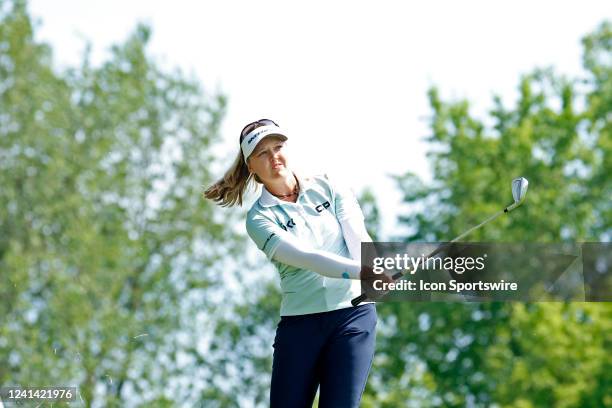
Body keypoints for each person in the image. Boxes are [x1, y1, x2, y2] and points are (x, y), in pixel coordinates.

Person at [204, 119, 392, 407]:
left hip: (352, 316)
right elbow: (308, 259)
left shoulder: (329, 186)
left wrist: (373, 267)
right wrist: (363, 272)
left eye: (278, 147)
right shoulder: (259, 219)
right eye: (262, 153)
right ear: (250, 166)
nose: (274, 157)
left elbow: (357, 236)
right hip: (301, 326)